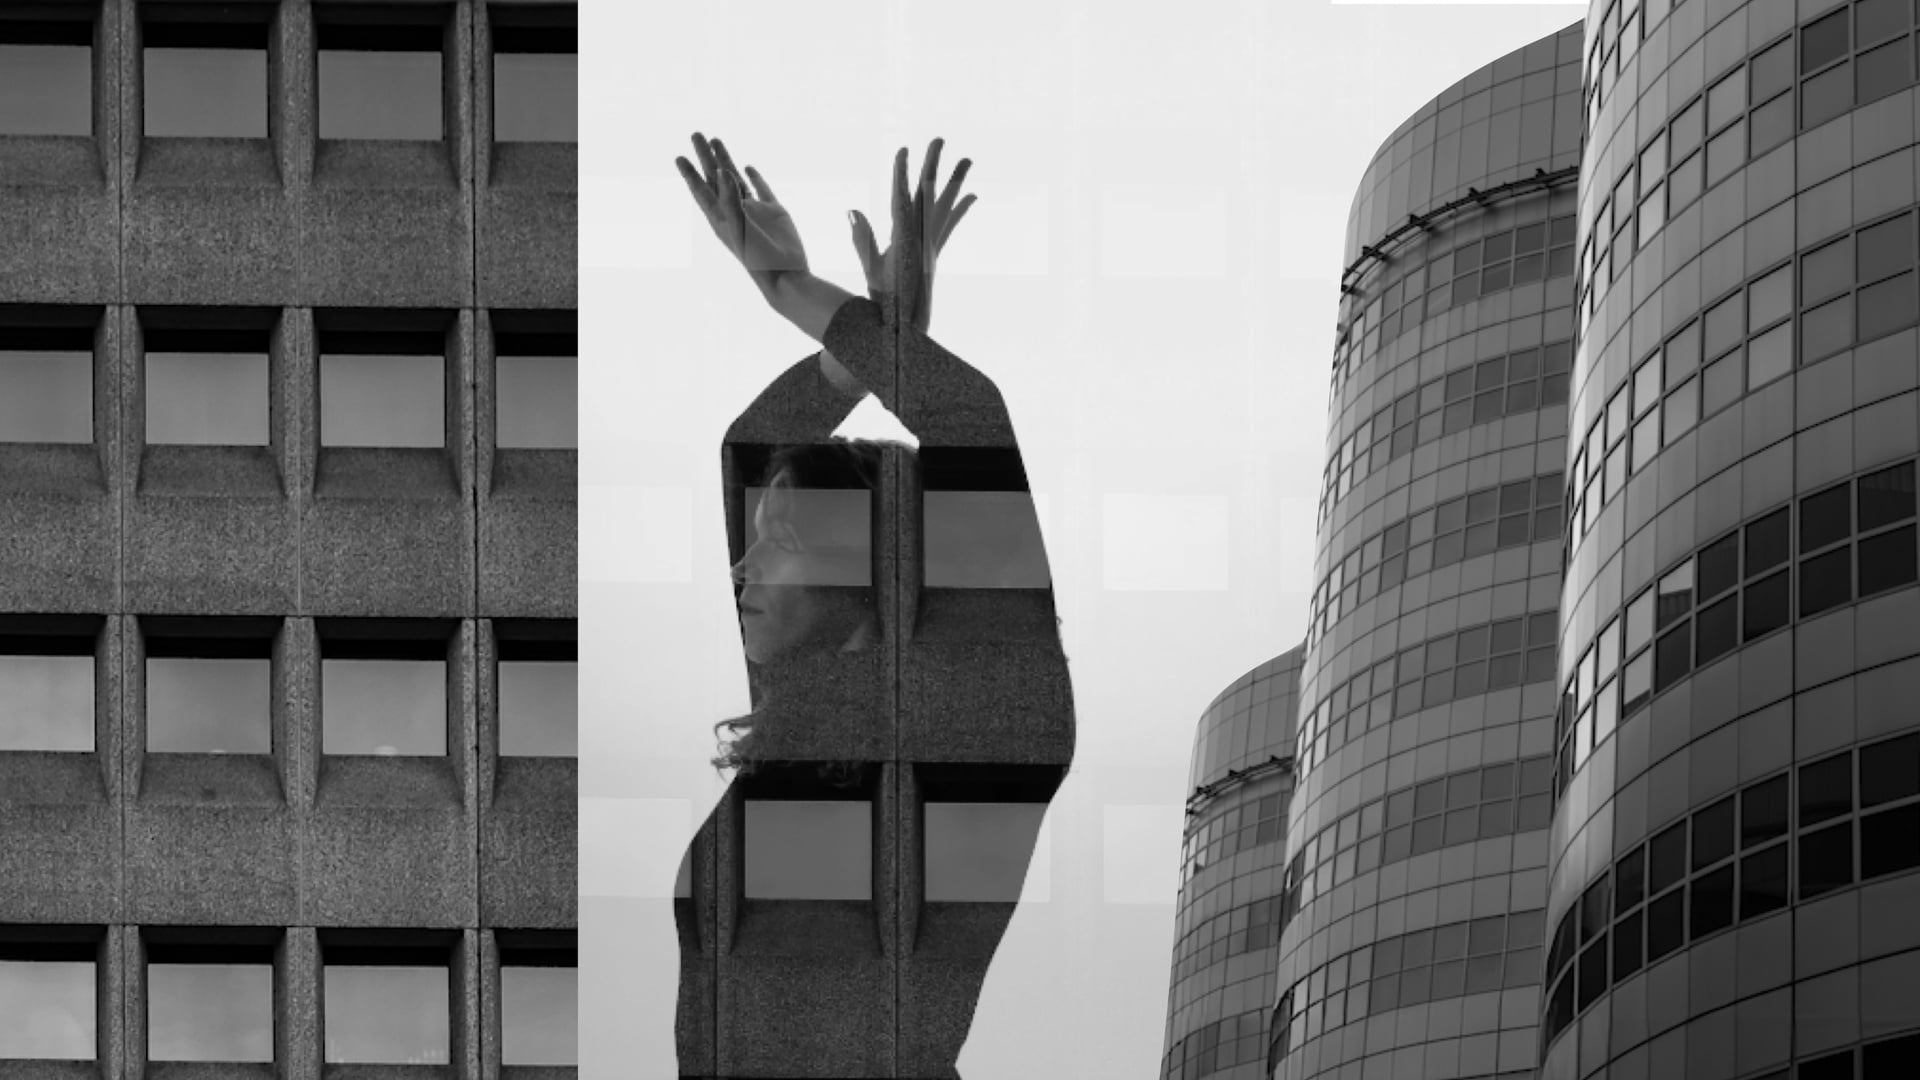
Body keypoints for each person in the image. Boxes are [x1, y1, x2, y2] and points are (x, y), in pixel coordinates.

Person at [673, 133, 1074, 1077]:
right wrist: (864, 347)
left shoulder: (985, 733)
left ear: (872, 572)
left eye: (780, 543)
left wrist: (802, 299)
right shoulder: (804, 731)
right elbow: (755, 443)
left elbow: (971, 423)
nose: (743, 571)